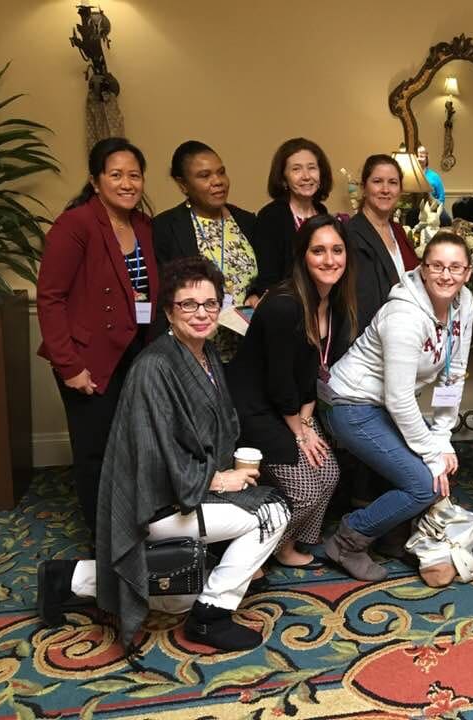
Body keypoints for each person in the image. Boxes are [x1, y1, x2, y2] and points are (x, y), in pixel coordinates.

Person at [36, 257, 289, 652]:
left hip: (183, 488)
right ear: (169, 311)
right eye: (188, 304)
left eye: (210, 303)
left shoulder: (205, 356)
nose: (201, 313)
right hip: (158, 501)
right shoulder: (155, 366)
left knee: (177, 596)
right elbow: (156, 454)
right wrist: (218, 479)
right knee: (274, 513)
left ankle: (66, 578)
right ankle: (211, 616)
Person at [319, 231, 473, 581]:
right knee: (425, 484)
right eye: (436, 265)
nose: (446, 275)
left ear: (467, 273)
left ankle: (393, 534)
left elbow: (455, 371)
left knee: (432, 463)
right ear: (422, 268)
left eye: (455, 267)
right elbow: (400, 399)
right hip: (351, 405)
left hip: (385, 405)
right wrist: (433, 454)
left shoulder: (462, 301)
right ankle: (347, 541)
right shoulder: (404, 316)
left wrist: (443, 435)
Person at [37, 137, 159, 535]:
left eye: (134, 175)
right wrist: (69, 365)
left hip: (134, 353)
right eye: (116, 175)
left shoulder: (142, 224)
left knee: (133, 449)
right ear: (95, 181)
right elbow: (50, 297)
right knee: (97, 454)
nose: (127, 183)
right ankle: (103, 539)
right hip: (88, 359)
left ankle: (133, 527)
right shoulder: (76, 224)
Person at [228, 215, 356, 568]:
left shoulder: (336, 302)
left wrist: (307, 419)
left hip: (296, 404)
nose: (329, 260)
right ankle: (248, 556)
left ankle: (286, 547)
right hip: (257, 408)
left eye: (337, 250)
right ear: (302, 256)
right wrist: (301, 434)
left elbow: (315, 368)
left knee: (329, 473)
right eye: (318, 251)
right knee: (306, 489)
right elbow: (279, 379)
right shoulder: (285, 304)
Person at [152, 140, 260, 360]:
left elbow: (267, 276)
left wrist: (257, 295)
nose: (217, 181)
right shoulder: (166, 227)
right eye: (204, 176)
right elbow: (163, 294)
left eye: (221, 172)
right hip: (195, 352)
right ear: (183, 185)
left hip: (249, 348)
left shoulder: (248, 221)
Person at [348, 154, 420, 334]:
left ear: (400, 190)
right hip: (371, 335)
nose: (385, 189)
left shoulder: (398, 231)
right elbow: (362, 300)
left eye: (393, 182)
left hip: (403, 329)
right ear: (364, 188)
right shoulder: (351, 234)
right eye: (378, 181)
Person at [253, 137, 335, 292]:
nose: (306, 176)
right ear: (283, 178)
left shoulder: (322, 213)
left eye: (312, 168)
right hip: (287, 302)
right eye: (296, 169)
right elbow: (268, 278)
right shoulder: (271, 216)